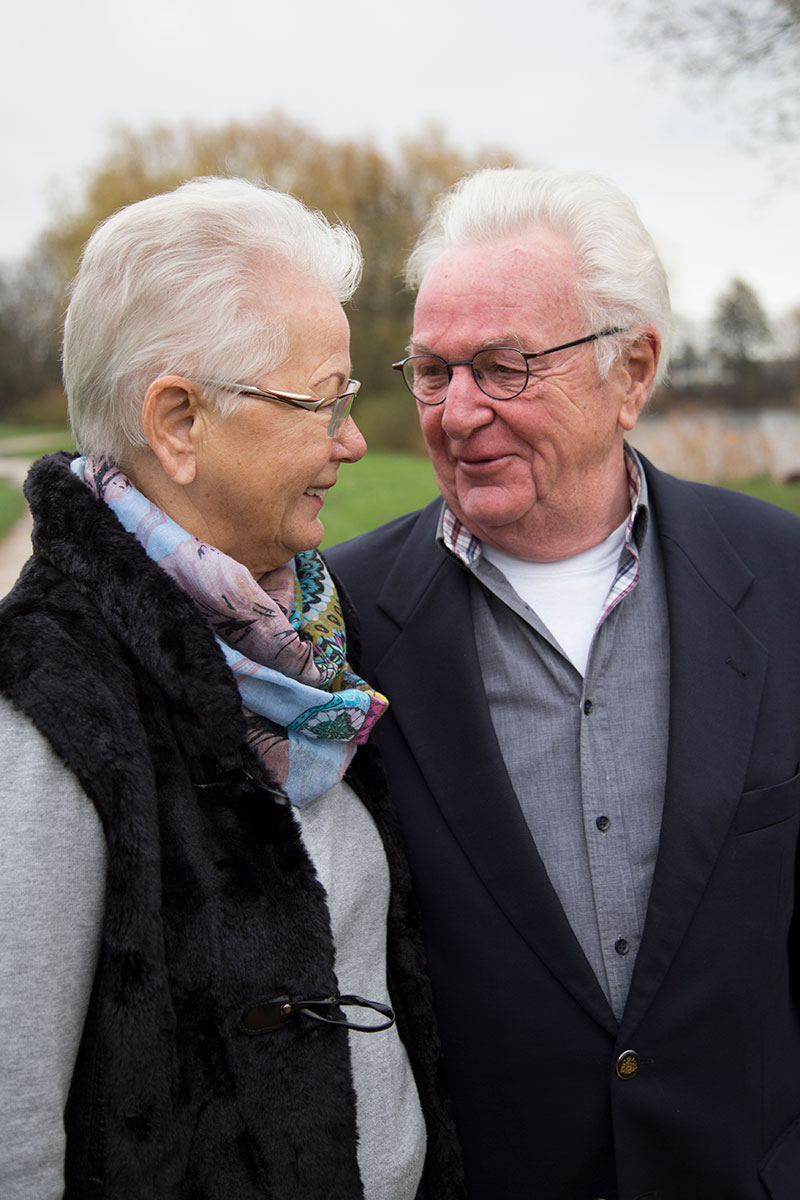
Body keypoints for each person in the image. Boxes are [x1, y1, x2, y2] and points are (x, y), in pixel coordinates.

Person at [327, 167, 800, 1200]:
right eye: (432, 370)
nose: (455, 414)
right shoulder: (338, 622)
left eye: (501, 367)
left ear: (629, 370)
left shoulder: (778, 576)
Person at [0, 178, 464, 1200]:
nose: (350, 439)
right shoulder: (46, 706)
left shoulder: (299, 636)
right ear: (177, 420)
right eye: (323, 401)